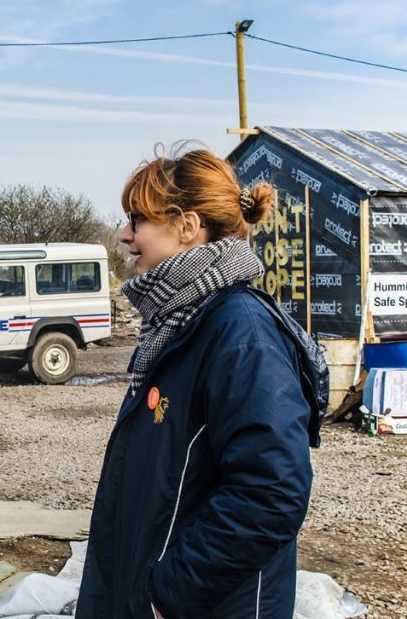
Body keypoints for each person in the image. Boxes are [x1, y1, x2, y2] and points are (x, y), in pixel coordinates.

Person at [76, 143, 319, 618]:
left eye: (137, 219)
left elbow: (271, 490)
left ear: (186, 227)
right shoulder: (179, 323)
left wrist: (170, 593)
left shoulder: (239, 332)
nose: (125, 235)